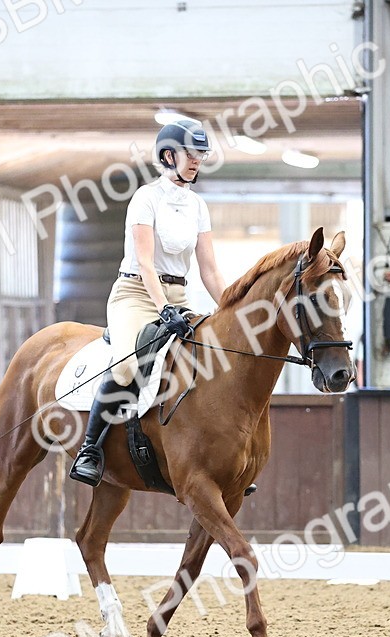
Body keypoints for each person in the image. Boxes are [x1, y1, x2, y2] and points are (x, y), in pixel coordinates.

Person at [69, 117, 228, 485]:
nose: (197, 161)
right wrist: (163, 309)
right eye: (191, 154)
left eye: (201, 155)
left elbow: (210, 271)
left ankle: (219, 456)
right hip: (136, 295)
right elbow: (144, 262)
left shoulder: (197, 206)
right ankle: (90, 449)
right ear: (169, 155)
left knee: (212, 359)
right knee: (126, 368)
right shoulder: (146, 198)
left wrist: (233, 307)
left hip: (179, 295)